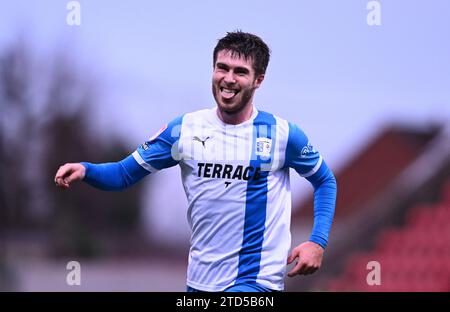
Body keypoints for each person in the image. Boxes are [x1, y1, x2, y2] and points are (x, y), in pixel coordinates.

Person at [54, 31, 337, 292]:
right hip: (200, 282)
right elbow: (124, 174)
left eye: (240, 72)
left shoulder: (282, 135)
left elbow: (324, 180)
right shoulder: (184, 130)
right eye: (222, 68)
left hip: (255, 282)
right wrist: (85, 170)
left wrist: (318, 241)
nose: (228, 78)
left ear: (258, 80)